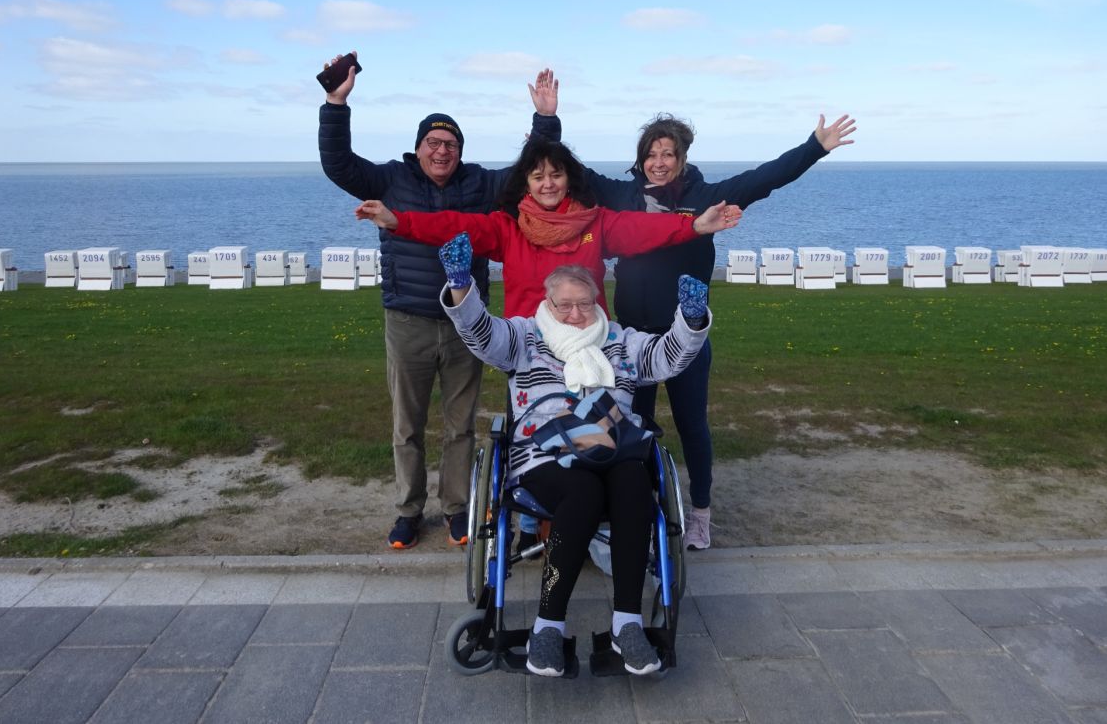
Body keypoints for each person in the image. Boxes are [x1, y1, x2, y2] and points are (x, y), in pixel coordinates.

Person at [528, 69, 856, 550]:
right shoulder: (621, 196)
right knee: (626, 429)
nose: (659, 163)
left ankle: (700, 512)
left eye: (668, 154)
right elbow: (564, 168)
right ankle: (630, 508)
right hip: (632, 341)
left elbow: (765, 178)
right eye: (651, 154)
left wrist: (815, 146)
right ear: (640, 160)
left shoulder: (705, 200)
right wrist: (547, 119)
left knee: (692, 425)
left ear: (682, 159)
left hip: (685, 337)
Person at [317, 51, 561, 551]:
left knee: (460, 425)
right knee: (406, 426)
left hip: (466, 324)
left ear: (460, 151)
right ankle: (409, 510)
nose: (442, 151)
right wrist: (335, 102)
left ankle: (455, 508)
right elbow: (338, 164)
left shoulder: (481, 184)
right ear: (419, 149)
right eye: (433, 142)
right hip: (406, 318)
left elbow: (530, 173)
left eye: (450, 144)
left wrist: (545, 119)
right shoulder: (390, 179)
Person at [438, 236, 713, 677]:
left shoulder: (621, 340)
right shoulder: (526, 337)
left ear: (597, 299)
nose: (575, 314)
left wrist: (692, 317)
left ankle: (628, 624)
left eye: (584, 303)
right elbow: (481, 333)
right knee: (582, 492)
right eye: (564, 305)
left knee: (635, 484)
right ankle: (548, 625)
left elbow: (668, 358)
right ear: (548, 302)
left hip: (613, 449)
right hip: (544, 455)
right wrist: (460, 284)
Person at [353, 137, 743, 318]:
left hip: (589, 344)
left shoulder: (597, 224)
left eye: (556, 175)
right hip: (528, 353)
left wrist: (693, 225)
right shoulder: (508, 229)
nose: (548, 184)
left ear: (568, 180)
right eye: (538, 177)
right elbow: (455, 225)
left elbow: (643, 228)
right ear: (527, 183)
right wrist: (398, 221)